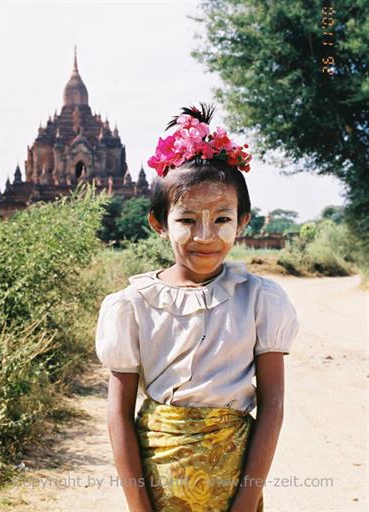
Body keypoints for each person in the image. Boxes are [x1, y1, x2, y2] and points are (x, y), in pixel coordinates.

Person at [95, 104, 299, 512]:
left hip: (234, 486)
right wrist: (139, 507)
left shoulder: (260, 301)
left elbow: (272, 404)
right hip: (157, 486)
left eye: (222, 218)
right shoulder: (132, 307)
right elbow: (119, 414)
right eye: (187, 220)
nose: (205, 236)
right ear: (159, 223)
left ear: (242, 221)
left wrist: (245, 502)